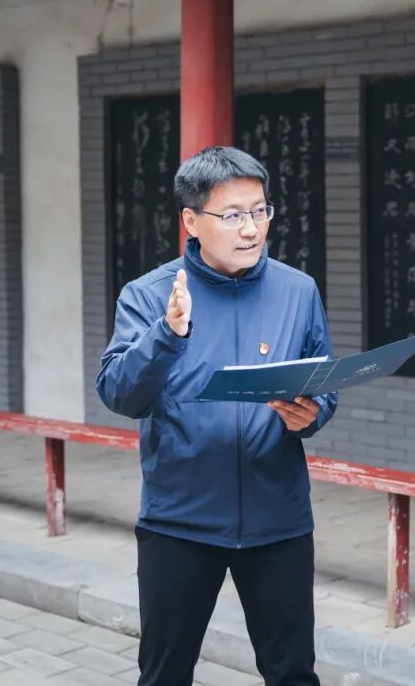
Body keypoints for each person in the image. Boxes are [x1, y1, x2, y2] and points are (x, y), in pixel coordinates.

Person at [97, 146, 337, 686]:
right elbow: (118, 393)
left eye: (260, 210)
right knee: (164, 674)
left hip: (278, 521)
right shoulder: (149, 295)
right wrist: (167, 334)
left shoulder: (298, 291)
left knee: (293, 673)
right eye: (231, 215)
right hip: (179, 521)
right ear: (191, 220)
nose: (250, 228)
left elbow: (323, 380)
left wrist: (312, 412)